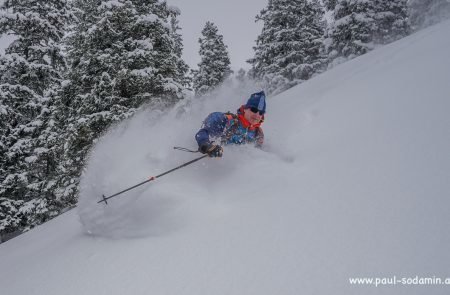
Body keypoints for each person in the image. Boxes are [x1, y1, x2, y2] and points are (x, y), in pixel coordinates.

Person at [195, 91, 266, 157]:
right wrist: (206, 145)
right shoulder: (225, 120)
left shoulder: (258, 134)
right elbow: (203, 132)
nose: (257, 115)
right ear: (245, 109)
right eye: (254, 110)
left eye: (261, 113)